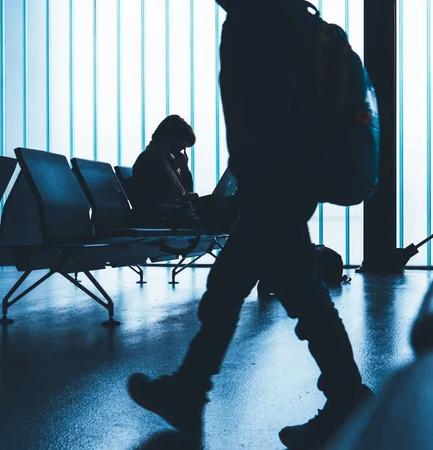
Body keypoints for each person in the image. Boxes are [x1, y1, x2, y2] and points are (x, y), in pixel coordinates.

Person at [126, 1, 373, 448]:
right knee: (251, 289)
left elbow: (262, 113)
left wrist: (255, 177)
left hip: (273, 183)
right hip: (288, 181)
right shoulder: (291, 17)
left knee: (289, 296)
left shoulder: (255, 22)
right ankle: (192, 390)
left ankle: (346, 397)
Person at [129, 114, 203, 229]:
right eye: (183, 143)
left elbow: (186, 191)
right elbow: (157, 197)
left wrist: (184, 168)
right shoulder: (150, 159)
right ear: (172, 138)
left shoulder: (162, 159)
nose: (182, 150)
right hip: (161, 216)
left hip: (167, 212)